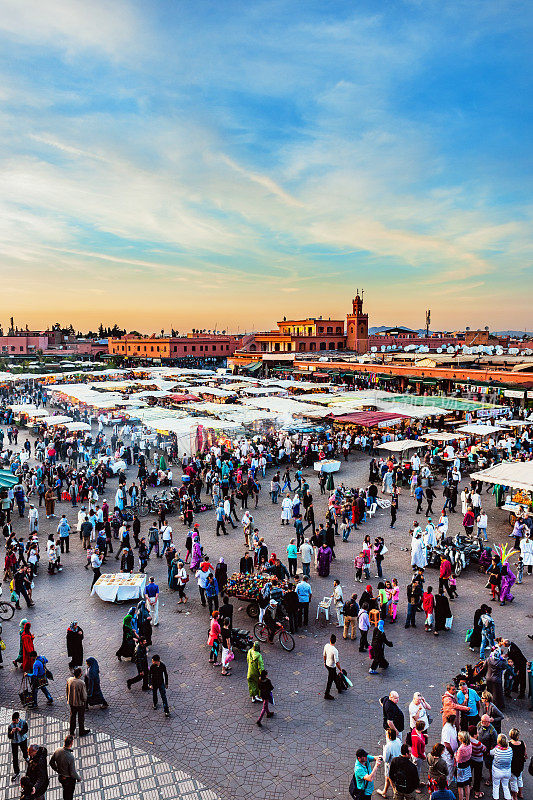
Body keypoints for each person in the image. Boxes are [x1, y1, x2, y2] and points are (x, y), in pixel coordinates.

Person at [50, 734, 82, 800]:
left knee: (65, 791)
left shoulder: (57, 750)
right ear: (71, 743)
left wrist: (57, 770)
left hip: (61, 777)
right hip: (69, 779)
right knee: (69, 794)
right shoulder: (70, 757)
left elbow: (51, 763)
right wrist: (78, 778)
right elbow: (72, 772)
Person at [66, 667, 91, 737]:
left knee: (72, 716)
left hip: (72, 702)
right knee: (81, 718)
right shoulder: (81, 683)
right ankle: (81, 731)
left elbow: (67, 690)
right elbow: (84, 695)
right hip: (80, 704)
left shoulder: (69, 680)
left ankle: (71, 731)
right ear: (80, 674)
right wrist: (84, 701)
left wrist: (68, 698)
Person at [378, 727, 402, 797]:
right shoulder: (398, 740)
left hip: (391, 766)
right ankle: (384, 792)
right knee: (387, 778)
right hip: (398, 763)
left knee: (391, 781)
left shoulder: (388, 746)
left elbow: (385, 759)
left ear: (389, 736)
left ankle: (396, 795)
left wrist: (383, 753)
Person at [7, 711, 29, 782]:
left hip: (23, 740)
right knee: (15, 757)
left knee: (24, 750)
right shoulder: (10, 726)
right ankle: (17, 772)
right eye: (13, 720)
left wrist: (20, 730)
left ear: (18, 718)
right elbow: (9, 736)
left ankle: (26, 757)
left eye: (15, 720)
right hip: (14, 742)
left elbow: (26, 730)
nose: (13, 721)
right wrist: (11, 732)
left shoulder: (23, 722)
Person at [490, 733, 513, 800]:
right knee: (505, 786)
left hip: (497, 771)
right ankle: (508, 798)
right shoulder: (510, 749)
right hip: (507, 771)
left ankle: (496, 798)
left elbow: (491, 752)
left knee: (496, 786)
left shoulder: (496, 750)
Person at [508, 727, 526, 800]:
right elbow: (525, 754)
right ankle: (520, 793)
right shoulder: (522, 743)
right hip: (520, 764)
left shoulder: (509, 744)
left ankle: (515, 797)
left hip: (512, 765)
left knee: (513, 781)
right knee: (519, 779)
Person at [323, 633, 343, 699]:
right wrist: (340, 669)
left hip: (327, 664)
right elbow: (337, 662)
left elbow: (324, 655)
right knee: (330, 680)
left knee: (334, 677)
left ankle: (339, 688)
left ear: (330, 640)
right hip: (332, 666)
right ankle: (326, 694)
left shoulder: (326, 645)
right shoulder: (335, 650)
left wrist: (324, 662)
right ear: (335, 641)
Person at [455, 730, 472, 800]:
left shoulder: (461, 749)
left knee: (460, 786)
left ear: (461, 739)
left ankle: (461, 799)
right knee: (467, 784)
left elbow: (458, 760)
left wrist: (455, 755)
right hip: (467, 766)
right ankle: (467, 798)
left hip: (461, 768)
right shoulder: (470, 745)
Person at [441, 713, 458, 782]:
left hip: (452, 753)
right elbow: (446, 743)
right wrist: (452, 753)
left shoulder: (453, 726)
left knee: (451, 769)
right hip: (448, 754)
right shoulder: (447, 729)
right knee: (448, 770)